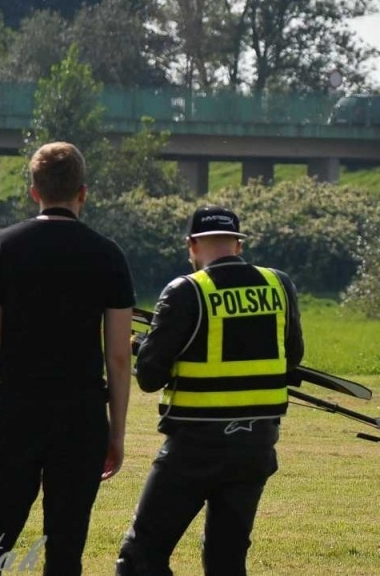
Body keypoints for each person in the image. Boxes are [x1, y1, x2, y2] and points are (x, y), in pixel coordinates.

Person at [0, 142, 135, 576]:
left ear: (33, 191)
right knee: (65, 547)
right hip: (81, 418)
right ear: (83, 193)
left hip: (16, 414)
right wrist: (116, 431)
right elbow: (117, 355)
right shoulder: (109, 255)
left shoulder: (2, 248)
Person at [117, 206, 304, 576]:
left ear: (192, 246)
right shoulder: (278, 284)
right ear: (237, 244)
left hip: (193, 448)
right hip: (255, 445)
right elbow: (292, 358)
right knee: (225, 560)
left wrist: (141, 345)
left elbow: (150, 377)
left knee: (140, 558)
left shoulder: (185, 291)